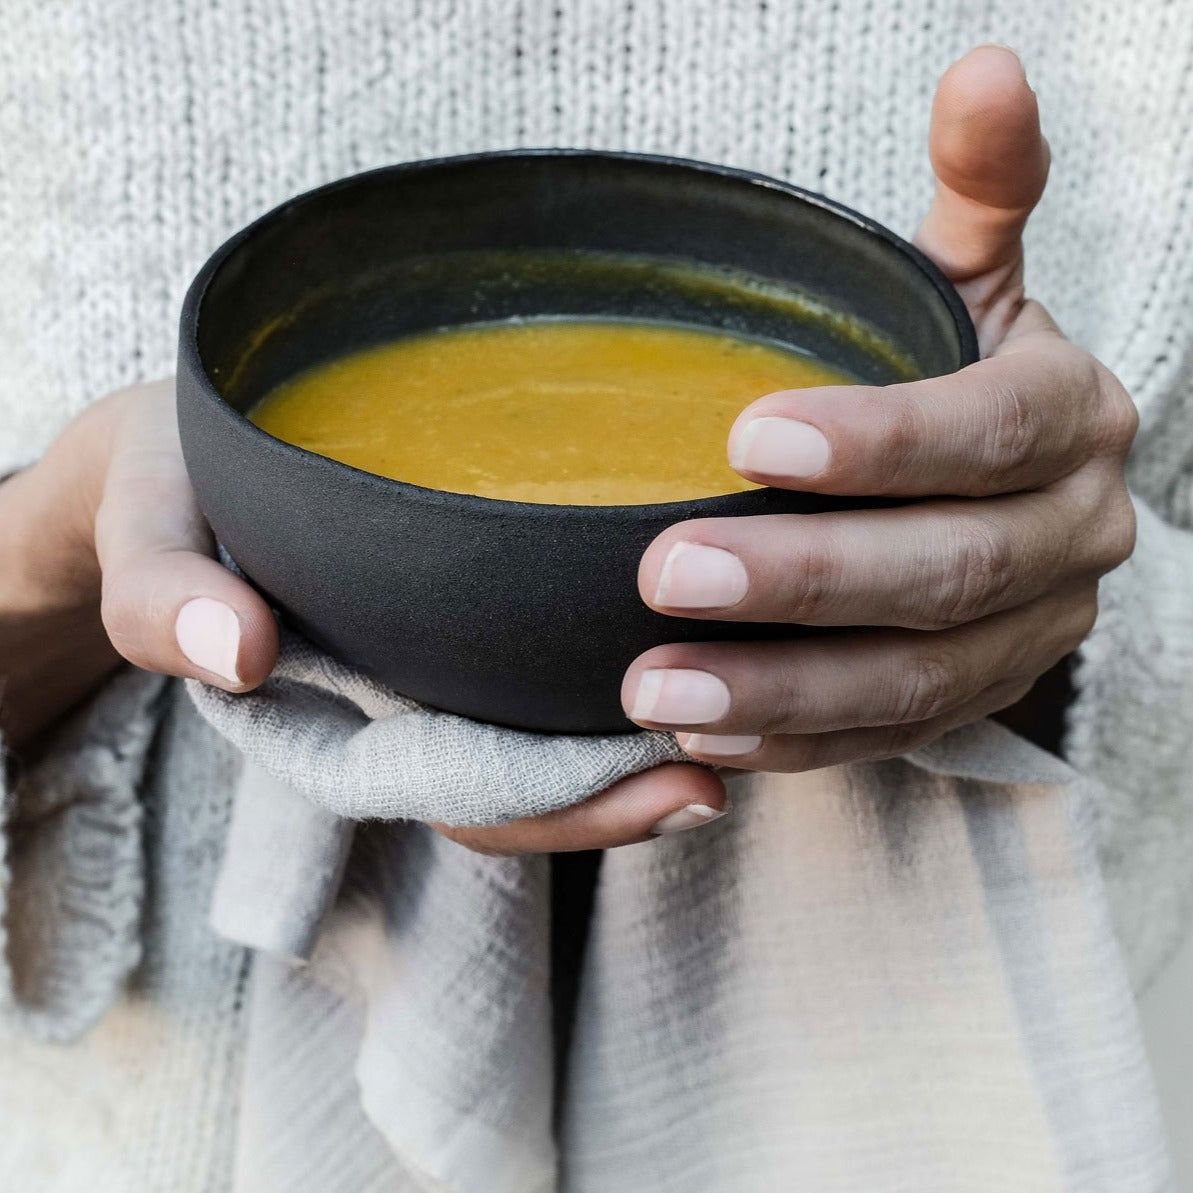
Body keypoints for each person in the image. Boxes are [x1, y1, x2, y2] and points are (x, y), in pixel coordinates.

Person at [1, 3, 1190, 1189]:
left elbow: (1114, 570)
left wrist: (1042, 582)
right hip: (152, 1118)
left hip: (1010, 1044)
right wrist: (57, 540)